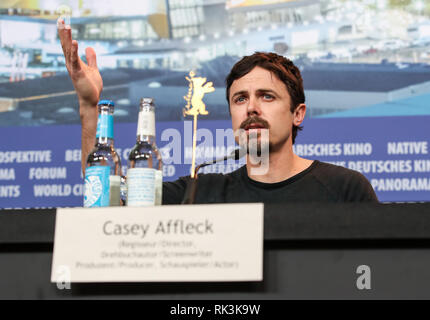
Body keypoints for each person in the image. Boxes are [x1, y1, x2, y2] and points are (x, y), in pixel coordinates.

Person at [58, 19, 378, 204]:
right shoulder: (201, 190)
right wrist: (89, 108)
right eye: (239, 99)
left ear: (298, 113)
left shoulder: (344, 188)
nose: (251, 107)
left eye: (266, 96)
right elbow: (108, 197)